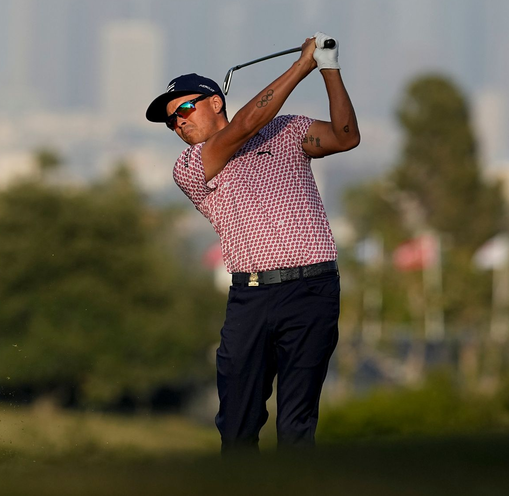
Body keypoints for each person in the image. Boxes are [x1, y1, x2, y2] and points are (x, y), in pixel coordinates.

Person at [145, 32, 360, 452]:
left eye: (184, 108)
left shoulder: (287, 130)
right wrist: (303, 64)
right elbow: (244, 126)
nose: (178, 122)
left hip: (313, 290)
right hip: (253, 297)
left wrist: (329, 69)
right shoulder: (193, 165)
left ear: (215, 101)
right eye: (172, 120)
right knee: (238, 425)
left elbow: (345, 136)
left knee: (298, 424)